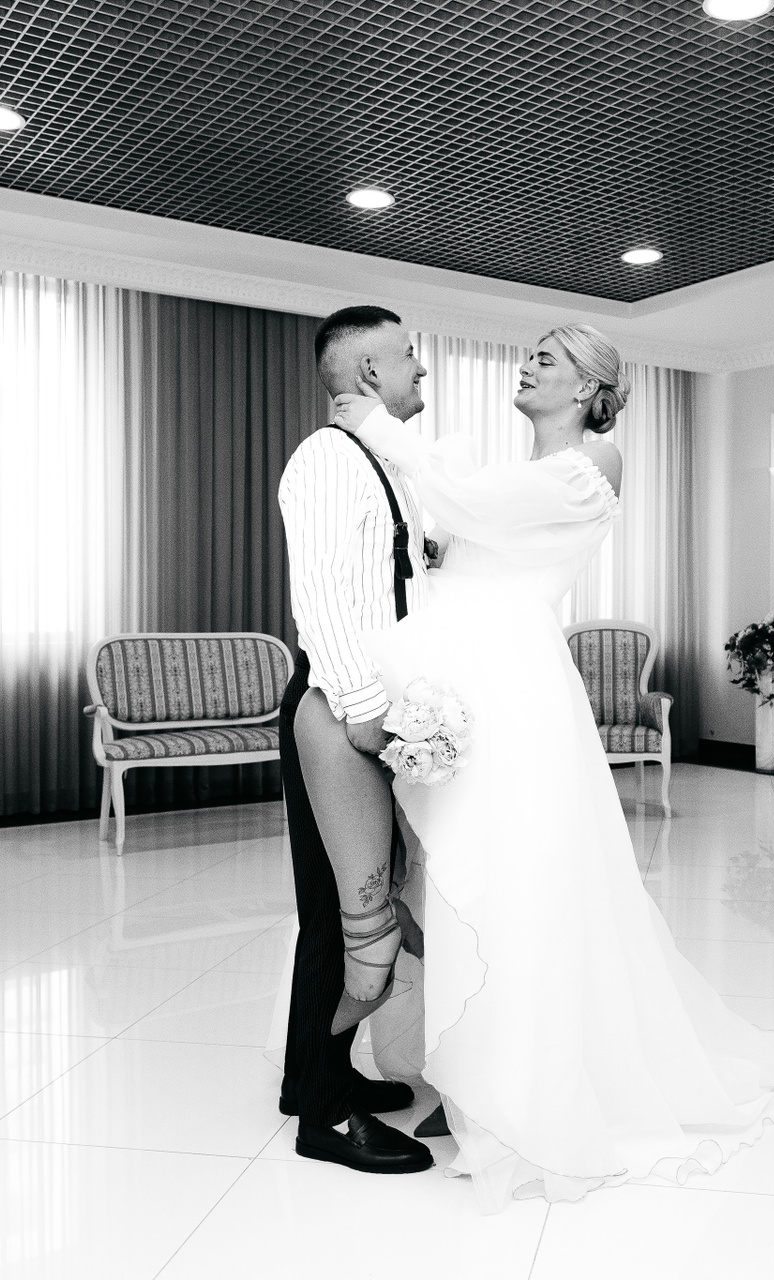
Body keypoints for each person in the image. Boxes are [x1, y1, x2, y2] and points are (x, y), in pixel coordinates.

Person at [328, 322, 774, 1213]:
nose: (527, 365)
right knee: (452, 882)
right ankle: (465, 1069)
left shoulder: (593, 463)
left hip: (515, 692)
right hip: (465, 676)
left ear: (586, 387)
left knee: (513, 882)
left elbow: (476, 506)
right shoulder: (525, 470)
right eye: (528, 353)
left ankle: (515, 1085)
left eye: (548, 358)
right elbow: (476, 525)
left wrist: (380, 428)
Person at [273, 305, 438, 1175]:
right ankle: (324, 1119)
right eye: (408, 354)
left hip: (367, 707)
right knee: (343, 916)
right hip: (341, 707)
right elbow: (323, 596)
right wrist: (366, 710)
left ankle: (315, 1078)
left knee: (340, 911)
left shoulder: (383, 464)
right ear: (369, 372)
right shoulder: (327, 458)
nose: (421, 367)